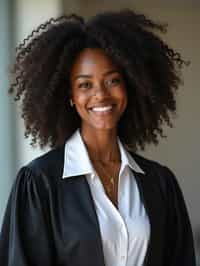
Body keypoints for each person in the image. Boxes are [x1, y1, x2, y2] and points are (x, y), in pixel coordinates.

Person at [0, 9, 196, 266]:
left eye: (112, 80)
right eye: (85, 84)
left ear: (131, 85)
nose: (101, 95)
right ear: (69, 95)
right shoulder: (39, 184)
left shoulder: (160, 184)